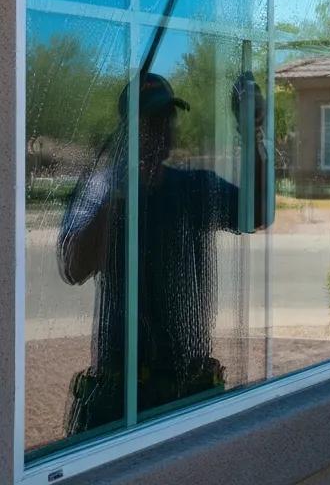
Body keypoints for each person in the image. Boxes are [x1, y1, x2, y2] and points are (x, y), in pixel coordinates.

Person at [57, 71, 269, 436]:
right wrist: (116, 196)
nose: (163, 129)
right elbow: (74, 267)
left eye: (168, 118)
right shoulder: (100, 188)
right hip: (120, 392)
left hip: (189, 384)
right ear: (128, 130)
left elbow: (258, 213)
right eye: (152, 120)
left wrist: (251, 133)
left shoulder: (194, 188)